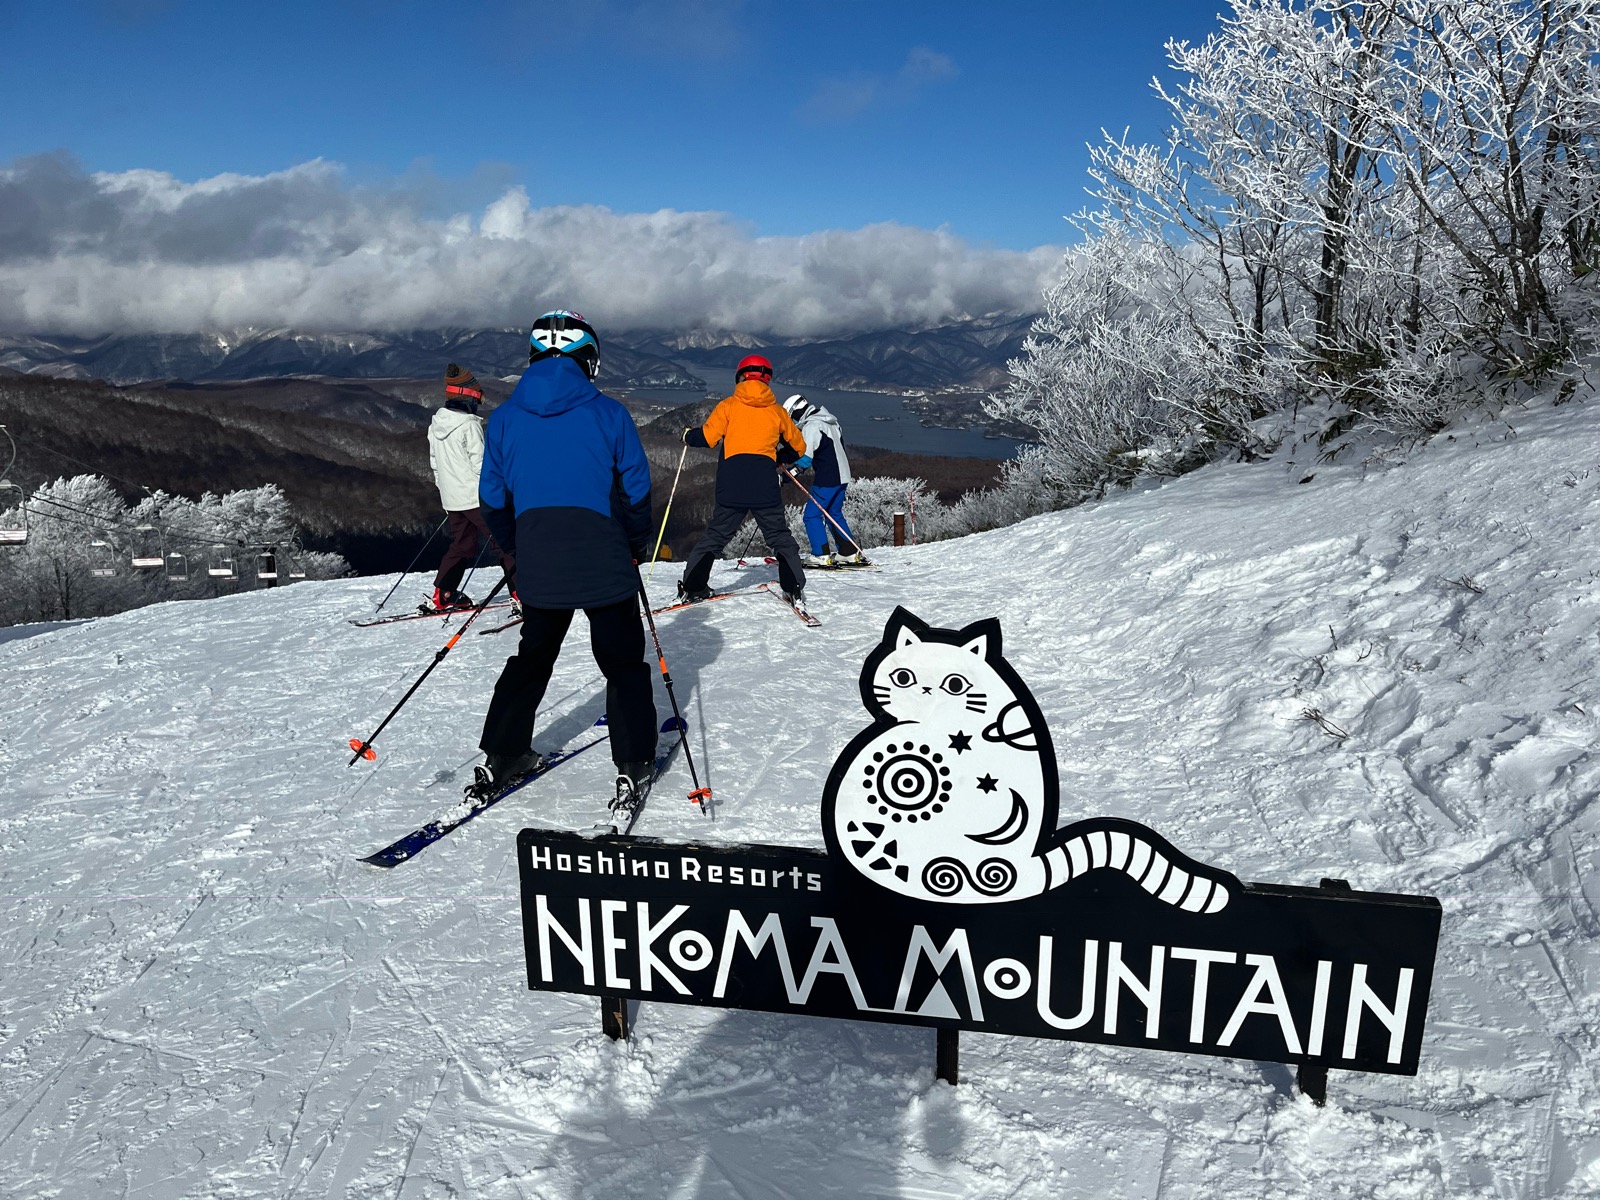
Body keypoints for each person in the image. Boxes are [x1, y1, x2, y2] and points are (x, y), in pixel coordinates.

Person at [475, 310, 658, 807]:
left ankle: (502, 752)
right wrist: (635, 544)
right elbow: (636, 489)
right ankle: (634, 759)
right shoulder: (610, 413)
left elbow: (491, 496)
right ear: (589, 360)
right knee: (622, 663)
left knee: (532, 658)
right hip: (604, 554)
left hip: (539, 556)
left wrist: (515, 548)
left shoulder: (506, 418)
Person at [676, 354, 809, 605]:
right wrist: (779, 456)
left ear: (740, 376)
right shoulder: (777, 412)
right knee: (779, 536)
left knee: (716, 536)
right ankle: (792, 587)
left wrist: (687, 435)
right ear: (767, 379)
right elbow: (799, 448)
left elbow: (707, 438)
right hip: (764, 483)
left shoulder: (728, 406)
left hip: (732, 483)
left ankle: (694, 586)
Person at [426, 363, 517, 610]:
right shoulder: (469, 424)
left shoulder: (435, 425)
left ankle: (443, 593)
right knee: (507, 542)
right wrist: (499, 493)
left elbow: (435, 463)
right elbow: (481, 466)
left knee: (462, 545)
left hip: (452, 498)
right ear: (468, 397)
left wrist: (444, 492)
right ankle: (522, 593)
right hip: (476, 497)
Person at [781, 393, 868, 566]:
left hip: (827, 478)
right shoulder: (831, 421)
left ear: (796, 412)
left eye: (791, 417)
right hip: (843, 476)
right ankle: (848, 552)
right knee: (833, 513)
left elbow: (805, 459)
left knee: (812, 516)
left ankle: (820, 555)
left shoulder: (812, 426)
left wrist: (785, 477)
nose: (793, 422)